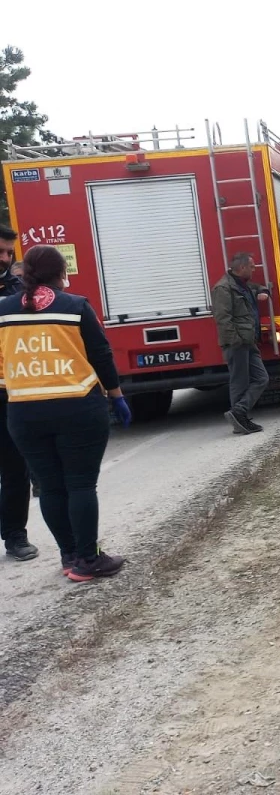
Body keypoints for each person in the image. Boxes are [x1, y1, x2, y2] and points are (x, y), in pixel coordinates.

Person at [0, 245, 132, 582]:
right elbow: (101, 354)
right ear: (61, 272)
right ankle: (89, 559)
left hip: (24, 413)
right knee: (81, 485)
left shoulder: (3, 311)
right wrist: (116, 395)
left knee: (51, 488)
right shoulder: (75, 306)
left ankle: (70, 555)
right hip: (77, 408)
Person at [0, 226, 36, 561]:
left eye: (9, 253)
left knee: (14, 467)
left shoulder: (17, 289)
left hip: (8, 390)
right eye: (0, 252)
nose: (5, 259)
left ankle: (15, 535)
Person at [212, 253, 269, 435]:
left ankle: (239, 411)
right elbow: (223, 318)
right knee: (239, 382)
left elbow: (257, 287)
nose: (254, 270)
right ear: (242, 268)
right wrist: (235, 341)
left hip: (249, 340)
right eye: (251, 267)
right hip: (236, 343)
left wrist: (263, 291)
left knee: (262, 378)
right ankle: (240, 419)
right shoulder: (224, 288)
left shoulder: (242, 285)